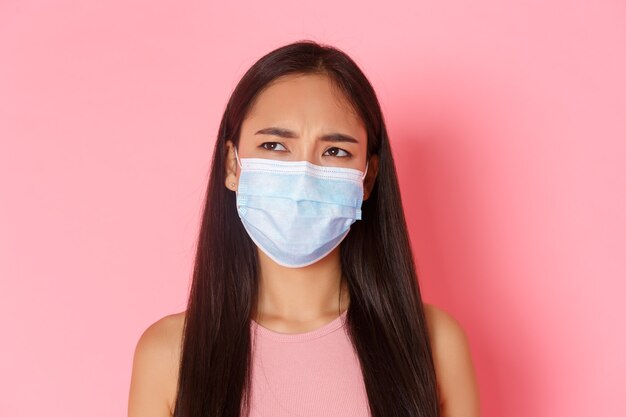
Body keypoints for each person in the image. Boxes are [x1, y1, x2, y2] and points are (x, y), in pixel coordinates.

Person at [128, 40, 480, 417]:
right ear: (232, 165)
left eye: (335, 152)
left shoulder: (434, 343)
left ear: (367, 178)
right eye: (275, 146)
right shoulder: (169, 354)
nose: (304, 177)